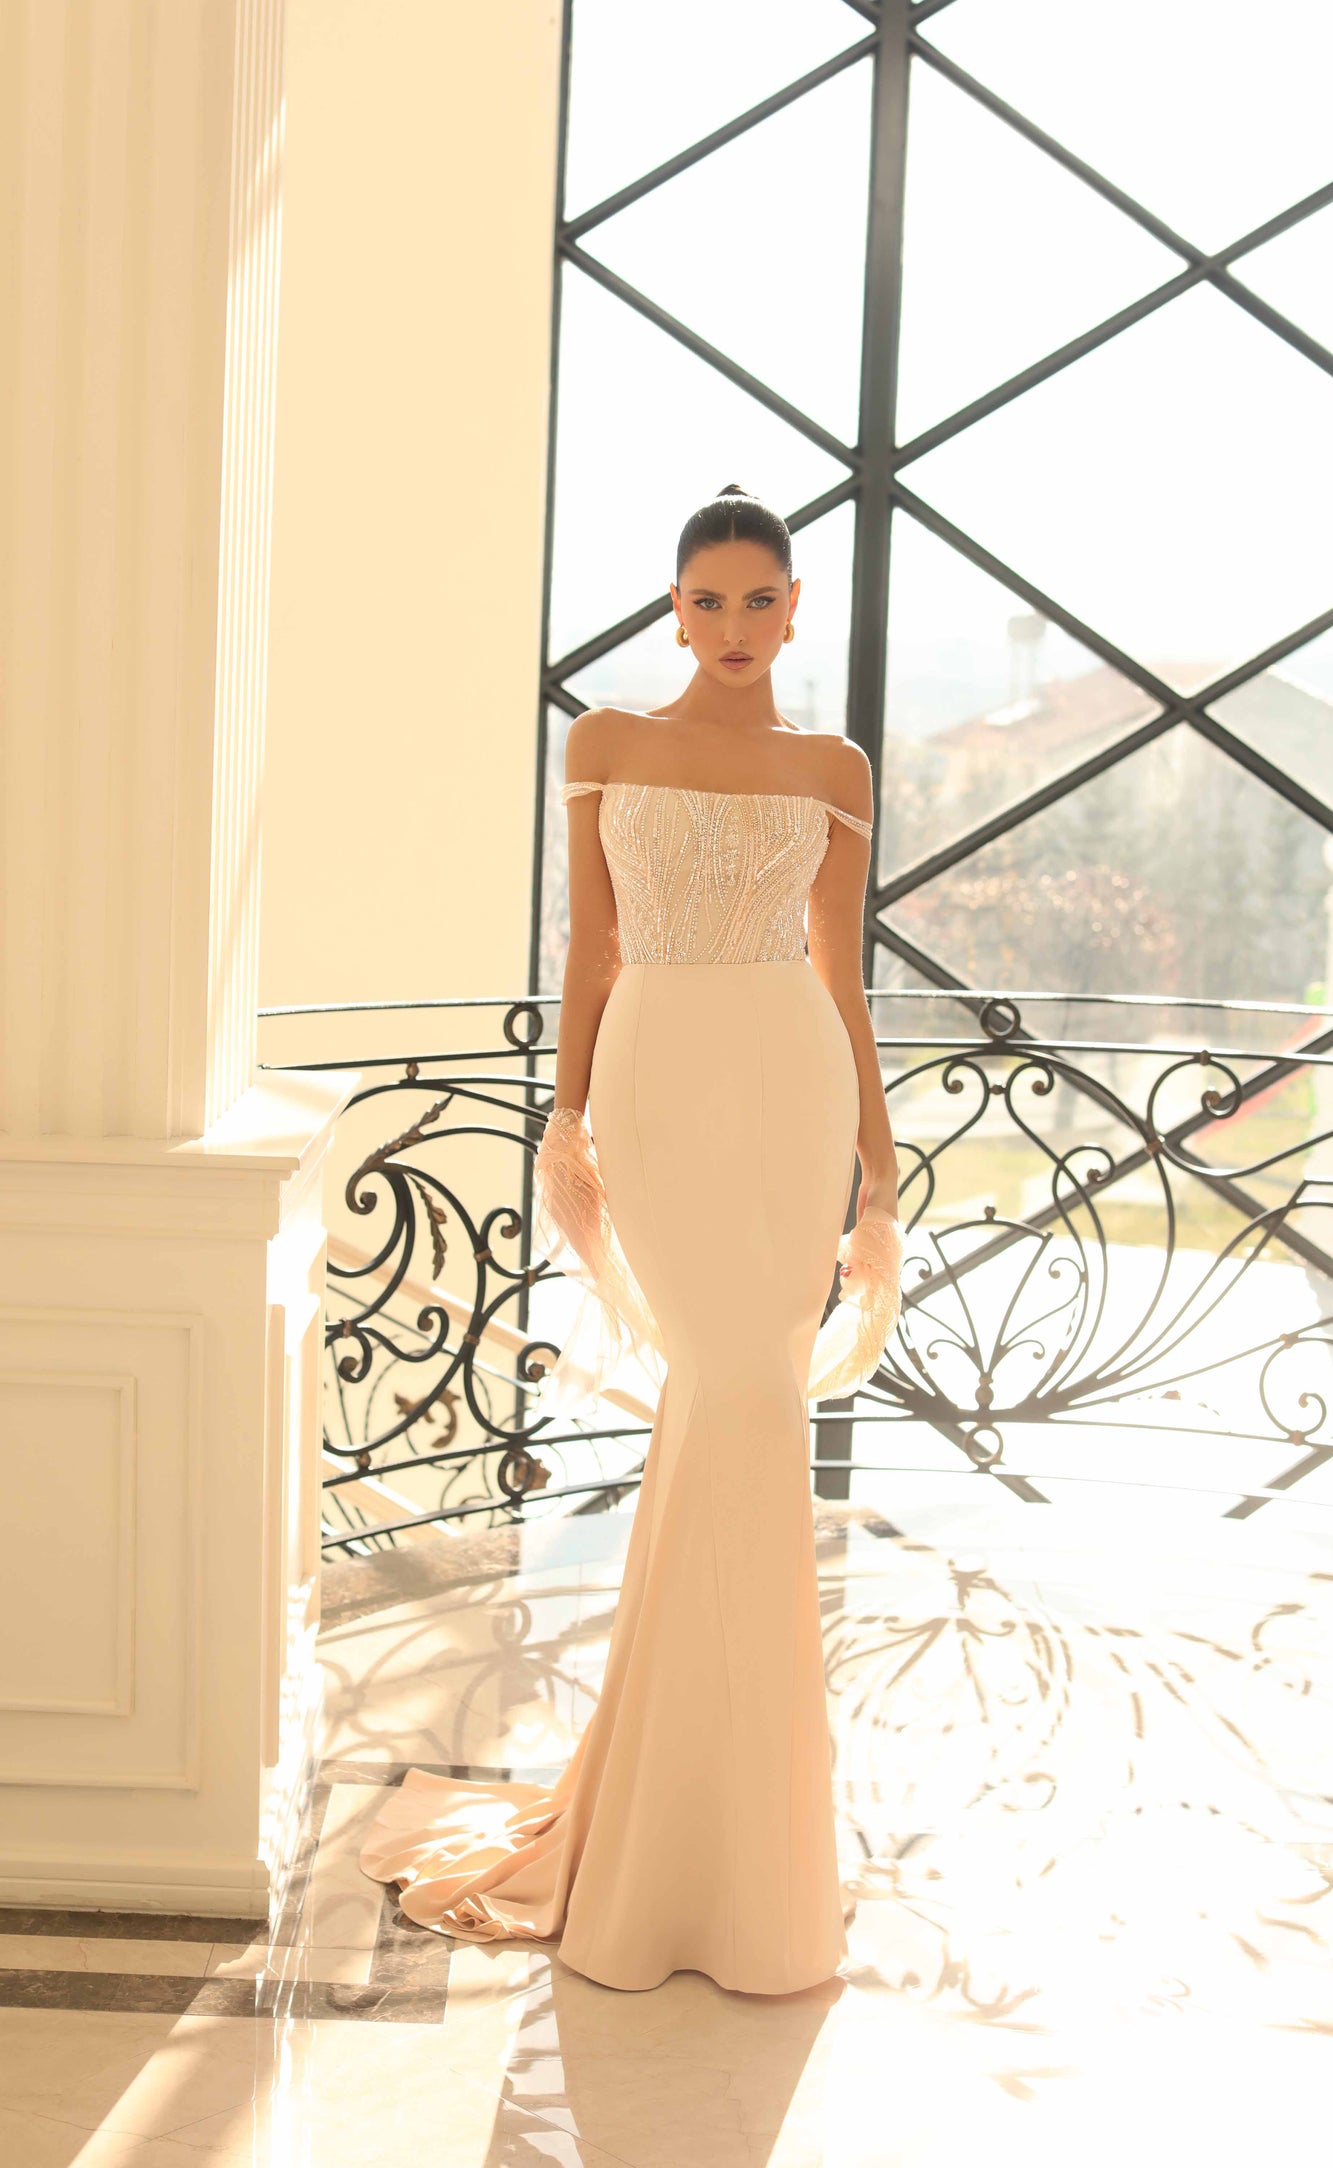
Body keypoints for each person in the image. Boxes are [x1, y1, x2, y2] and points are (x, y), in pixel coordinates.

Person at [359, 483, 903, 1994]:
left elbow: (840, 973)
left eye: (758, 600)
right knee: (721, 1395)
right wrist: (566, 1114)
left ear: (792, 609)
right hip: (659, 1077)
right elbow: (591, 943)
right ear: (675, 611)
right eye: (706, 601)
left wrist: (876, 1164)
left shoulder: (834, 769)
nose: (733, 626)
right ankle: (670, 1828)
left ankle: (735, 1839)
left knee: (744, 1408)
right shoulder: (605, 741)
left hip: (788, 1082)